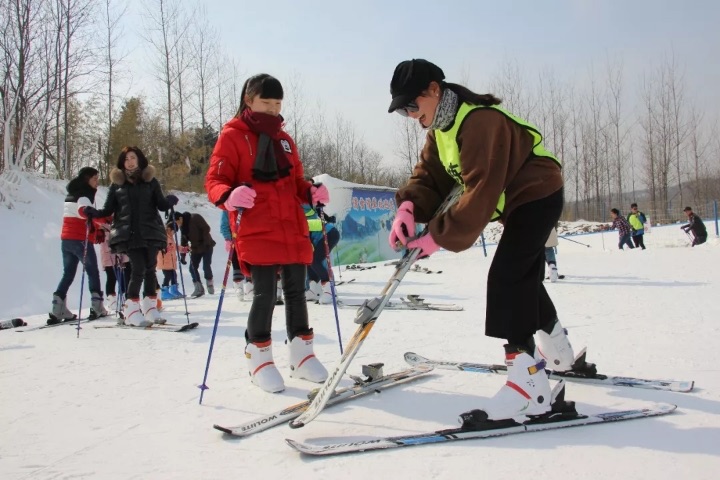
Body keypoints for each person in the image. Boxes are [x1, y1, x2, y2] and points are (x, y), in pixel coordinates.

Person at [387, 59, 594, 421]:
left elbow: (480, 192)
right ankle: (558, 351)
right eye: (402, 109)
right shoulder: (440, 130)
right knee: (521, 275)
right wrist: (407, 207)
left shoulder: (479, 122)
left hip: (538, 192)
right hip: (517, 200)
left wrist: (437, 237)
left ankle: (528, 386)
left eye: (411, 105)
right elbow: (430, 177)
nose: (409, 115)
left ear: (434, 90)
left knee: (506, 278)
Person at [204, 73, 328, 393]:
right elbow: (215, 180)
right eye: (266, 103)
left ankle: (302, 355)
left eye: (277, 104)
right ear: (249, 100)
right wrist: (229, 195)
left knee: (297, 291)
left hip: (291, 227)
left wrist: (311, 192)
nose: (273, 110)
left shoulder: (285, 140)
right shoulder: (233, 136)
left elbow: (296, 182)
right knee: (264, 294)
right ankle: (258, 355)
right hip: (257, 227)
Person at [82, 146, 178, 326]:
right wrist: (93, 212)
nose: (130, 161)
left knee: (151, 268)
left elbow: (161, 204)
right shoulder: (117, 184)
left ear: (140, 159)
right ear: (122, 163)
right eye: (126, 159)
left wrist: (170, 201)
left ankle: (150, 308)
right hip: (129, 233)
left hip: (150, 231)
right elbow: (108, 209)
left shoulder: (151, 181)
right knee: (139, 268)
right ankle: (131, 309)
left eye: (133, 158)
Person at [50, 167, 109, 324]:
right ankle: (97, 306)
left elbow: (79, 215)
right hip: (80, 240)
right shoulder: (84, 195)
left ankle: (58, 307)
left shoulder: (71, 194)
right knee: (92, 271)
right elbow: (83, 211)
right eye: (95, 178)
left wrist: (97, 224)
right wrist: (98, 216)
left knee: (68, 273)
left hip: (66, 239)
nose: (97, 182)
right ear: (86, 179)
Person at [304, 203, 340, 304]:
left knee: (315, 261)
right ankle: (313, 289)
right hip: (318, 235)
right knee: (309, 259)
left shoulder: (299, 207)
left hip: (327, 233)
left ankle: (331, 291)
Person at [174, 211, 216, 298]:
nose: (177, 224)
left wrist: (205, 241)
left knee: (206, 266)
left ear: (180, 218)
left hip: (206, 245)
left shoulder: (195, 217)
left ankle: (209, 283)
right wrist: (183, 256)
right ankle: (198, 288)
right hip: (195, 248)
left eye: (177, 222)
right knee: (192, 268)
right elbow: (184, 240)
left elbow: (206, 228)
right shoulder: (183, 227)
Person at [99, 222, 131, 313]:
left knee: (121, 277)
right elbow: (105, 243)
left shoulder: (114, 226)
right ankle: (111, 299)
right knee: (111, 277)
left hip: (117, 256)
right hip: (109, 257)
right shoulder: (103, 228)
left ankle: (123, 297)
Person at [220, 209, 251, 300]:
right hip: (234, 239)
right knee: (236, 262)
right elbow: (224, 225)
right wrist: (228, 239)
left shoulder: (249, 205)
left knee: (249, 262)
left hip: (247, 239)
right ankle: (239, 286)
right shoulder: (228, 208)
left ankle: (250, 285)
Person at [157, 221, 184, 300]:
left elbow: (174, 247)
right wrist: (165, 249)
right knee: (168, 276)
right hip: (165, 261)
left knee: (174, 275)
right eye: (173, 231)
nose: (173, 233)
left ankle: (174, 289)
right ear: (169, 229)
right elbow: (159, 248)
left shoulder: (170, 237)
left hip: (171, 261)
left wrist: (183, 249)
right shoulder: (163, 236)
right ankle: (164, 292)